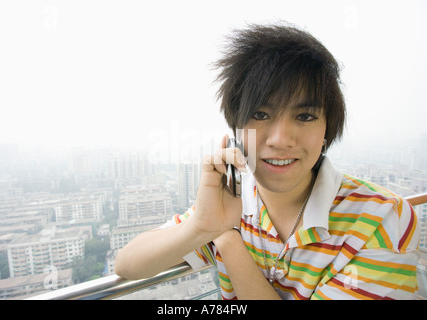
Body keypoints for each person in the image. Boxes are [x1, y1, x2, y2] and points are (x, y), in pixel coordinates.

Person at [115, 23, 420, 300]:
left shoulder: (383, 219)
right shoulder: (232, 203)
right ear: (235, 129)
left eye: (304, 116)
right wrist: (203, 227)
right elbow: (127, 264)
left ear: (327, 129)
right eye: (260, 114)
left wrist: (228, 241)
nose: (280, 139)